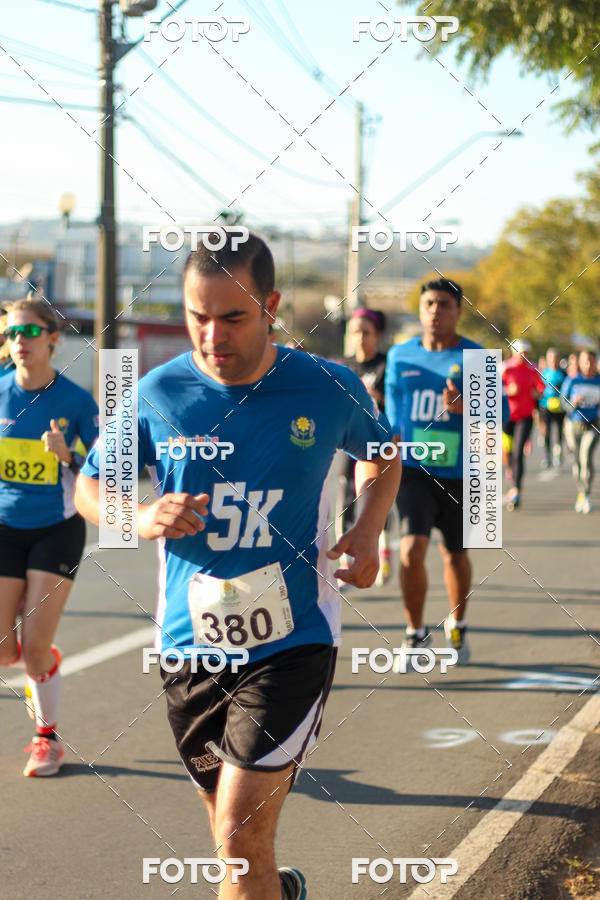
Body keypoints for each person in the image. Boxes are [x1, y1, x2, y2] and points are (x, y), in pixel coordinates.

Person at [75, 233, 400, 900]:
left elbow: (384, 453)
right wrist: (140, 516)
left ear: (272, 306)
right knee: (236, 852)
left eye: (232, 317)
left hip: (293, 639)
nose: (211, 335)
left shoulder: (325, 385)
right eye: (198, 315)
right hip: (188, 648)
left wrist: (367, 531)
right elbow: (89, 485)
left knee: (237, 833)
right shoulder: (157, 394)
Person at [0, 298, 98, 776]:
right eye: (13, 333)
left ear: (53, 339)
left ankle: (47, 739)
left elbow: (110, 472)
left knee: (33, 648)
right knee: (4, 651)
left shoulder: (76, 402)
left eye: (31, 333)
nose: (20, 342)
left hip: (56, 529)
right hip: (3, 527)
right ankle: (43, 657)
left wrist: (68, 456)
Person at [385, 277, 482, 668]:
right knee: (410, 549)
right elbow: (391, 416)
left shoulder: (477, 358)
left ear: (458, 310)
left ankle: (457, 625)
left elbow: (502, 417)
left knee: (455, 555)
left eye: (444, 304)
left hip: (461, 473)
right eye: (429, 304)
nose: (435, 311)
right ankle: (414, 633)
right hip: (413, 470)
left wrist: (467, 409)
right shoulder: (400, 356)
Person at [340, 307, 392, 584]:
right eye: (355, 332)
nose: (360, 338)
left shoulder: (387, 364)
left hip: (381, 441)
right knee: (348, 490)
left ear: (377, 335)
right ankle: (347, 557)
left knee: (378, 494)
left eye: (365, 333)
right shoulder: (343, 366)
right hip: (350, 440)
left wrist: (375, 396)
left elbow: (394, 402)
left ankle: (383, 547)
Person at [501, 339, 544, 510]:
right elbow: (490, 390)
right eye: (521, 353)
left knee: (518, 452)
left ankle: (516, 489)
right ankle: (511, 473)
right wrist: (507, 391)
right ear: (514, 353)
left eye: (527, 353)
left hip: (525, 416)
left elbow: (541, 388)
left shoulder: (532, 369)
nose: (524, 356)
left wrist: (537, 393)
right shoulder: (504, 368)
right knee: (509, 453)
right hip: (506, 417)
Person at [562, 348, 600, 514]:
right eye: (585, 361)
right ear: (579, 362)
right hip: (573, 425)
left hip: (593, 424)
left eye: (591, 361)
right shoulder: (572, 381)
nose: (588, 364)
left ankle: (587, 494)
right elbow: (563, 403)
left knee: (586, 458)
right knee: (577, 462)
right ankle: (581, 492)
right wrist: (573, 403)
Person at [539, 347, 566, 468]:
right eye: (551, 358)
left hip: (560, 407)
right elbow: (539, 389)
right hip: (546, 406)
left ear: (558, 359)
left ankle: (558, 454)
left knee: (559, 431)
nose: (553, 361)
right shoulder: (543, 373)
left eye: (555, 359)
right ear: (547, 359)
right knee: (547, 433)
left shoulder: (563, 374)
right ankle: (547, 456)